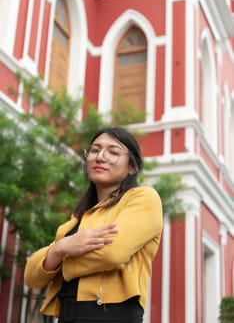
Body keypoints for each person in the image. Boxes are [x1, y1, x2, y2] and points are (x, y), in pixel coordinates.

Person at [24, 126, 163, 323]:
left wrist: (59, 258)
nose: (100, 157)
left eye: (113, 152)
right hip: (67, 314)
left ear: (131, 167)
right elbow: (31, 276)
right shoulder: (78, 218)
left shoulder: (144, 198)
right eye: (95, 150)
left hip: (110, 315)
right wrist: (61, 247)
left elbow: (112, 253)